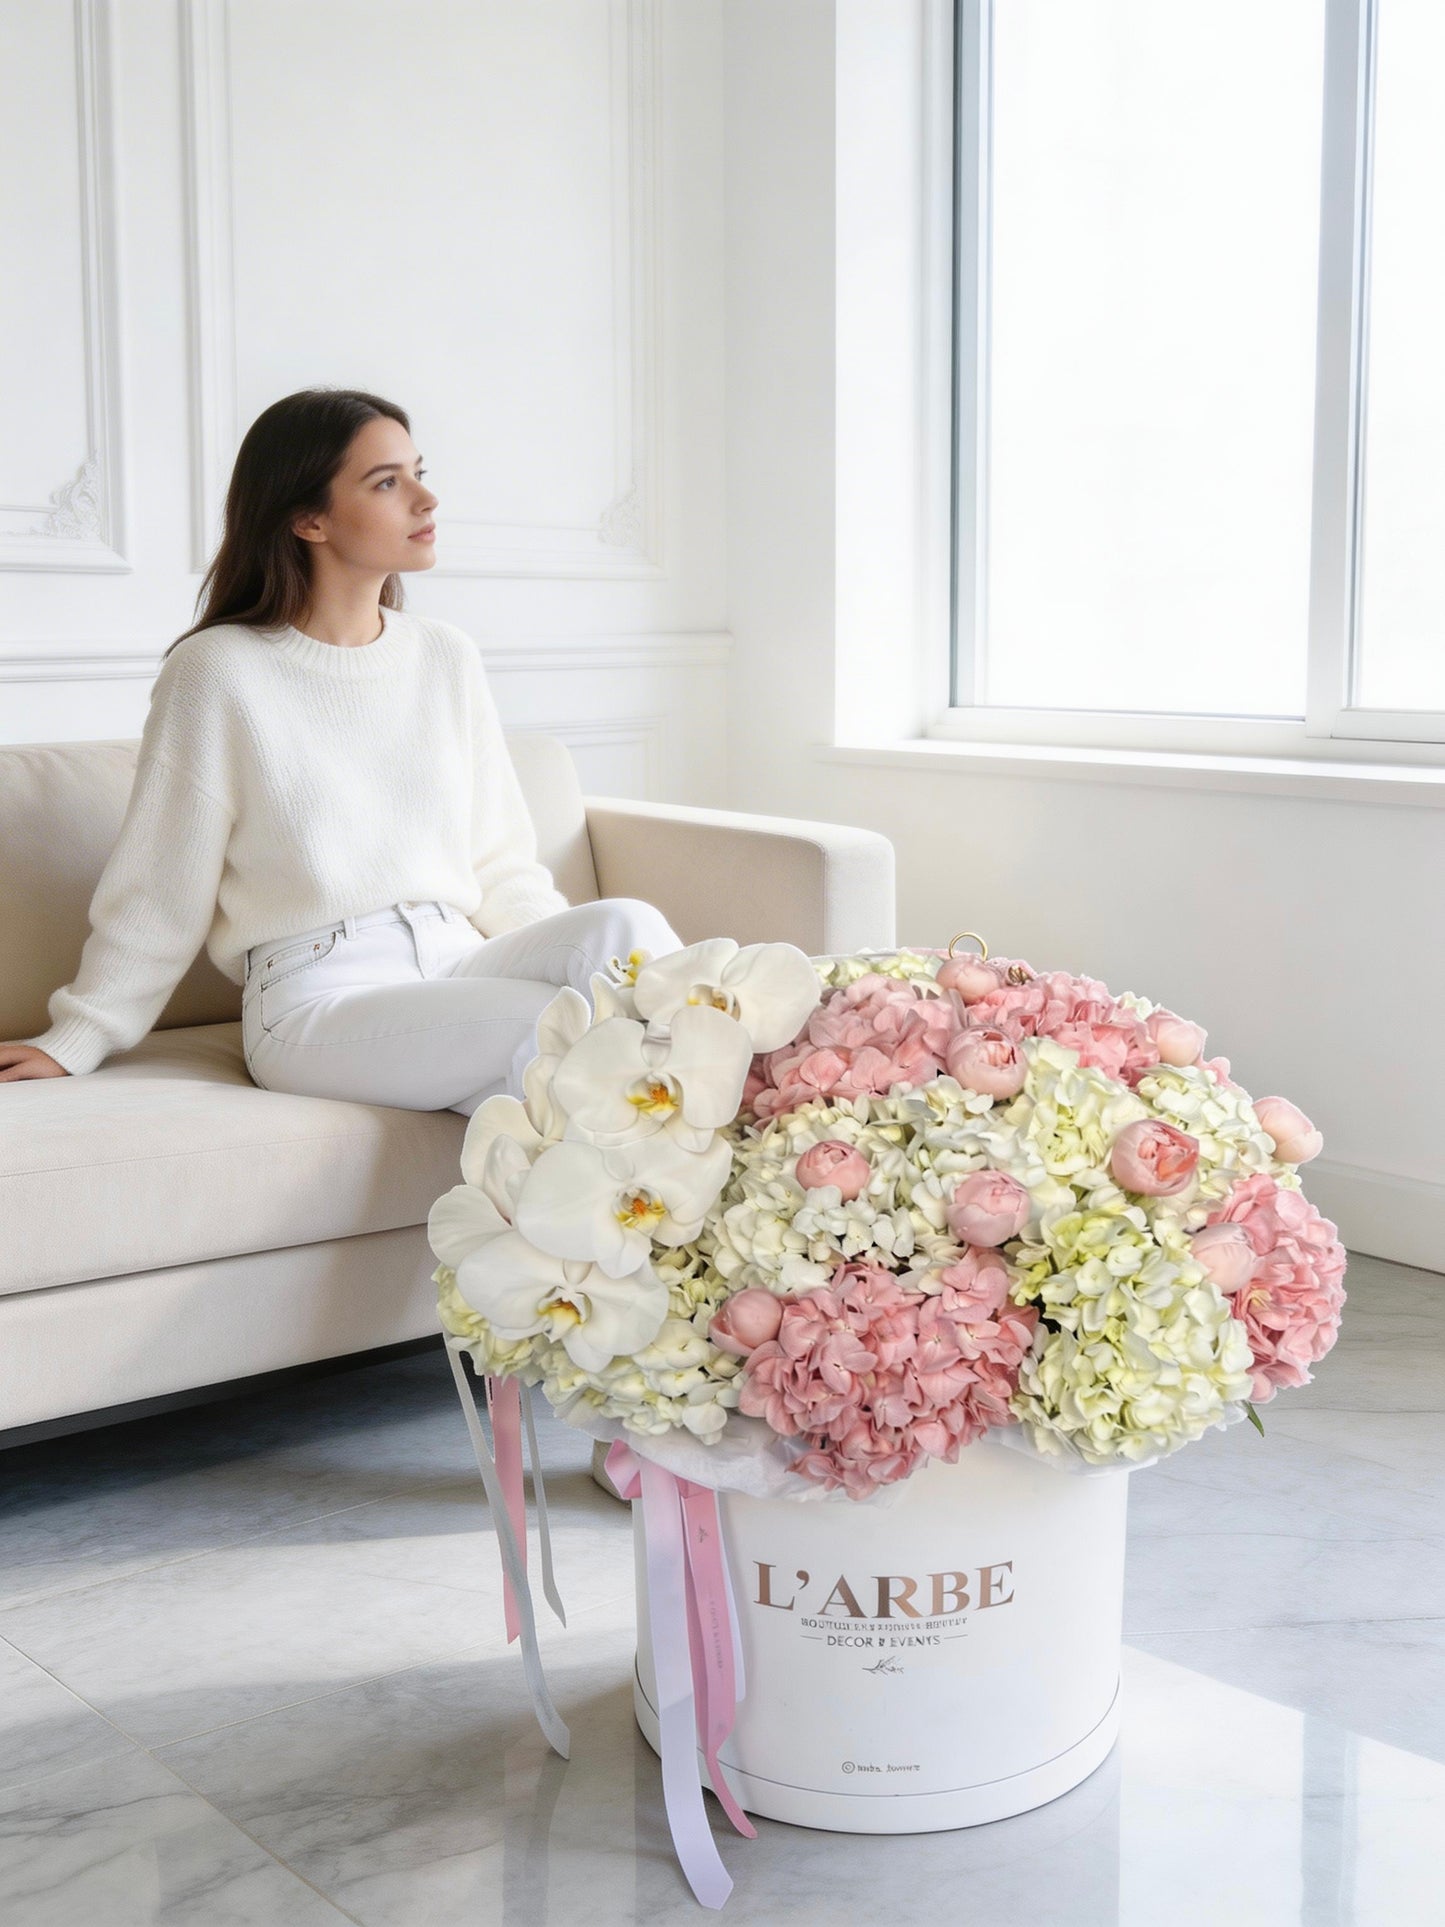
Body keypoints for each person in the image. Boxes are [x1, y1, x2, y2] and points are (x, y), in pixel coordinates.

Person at [0, 387, 684, 1112]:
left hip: (453, 957)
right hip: (315, 996)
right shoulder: (218, 670)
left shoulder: (444, 655)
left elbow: (500, 862)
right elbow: (161, 885)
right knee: (549, 1027)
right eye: (387, 482)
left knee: (626, 926)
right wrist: (78, 1034)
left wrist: (572, 966)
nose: (426, 500)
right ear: (308, 518)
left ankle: (771, 1122)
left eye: (417, 471)